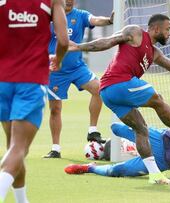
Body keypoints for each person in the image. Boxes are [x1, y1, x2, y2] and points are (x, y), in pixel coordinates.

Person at [67, 14, 170, 184]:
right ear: (156, 29)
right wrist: (78, 47)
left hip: (108, 93)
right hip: (118, 82)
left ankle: (155, 175)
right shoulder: (136, 33)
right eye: (168, 29)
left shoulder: (154, 52)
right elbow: (108, 41)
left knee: (141, 130)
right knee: (158, 100)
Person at [0, 0, 68, 202]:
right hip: (30, 81)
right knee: (19, 148)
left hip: (2, 82)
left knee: (13, 147)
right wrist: (59, 58)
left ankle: (22, 200)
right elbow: (63, 41)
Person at [44, 0, 114, 159]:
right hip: (55, 71)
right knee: (55, 109)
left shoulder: (80, 15)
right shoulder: (48, 16)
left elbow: (95, 20)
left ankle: (92, 131)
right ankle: (55, 148)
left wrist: (109, 20)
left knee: (99, 88)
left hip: (77, 68)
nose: (68, 0)